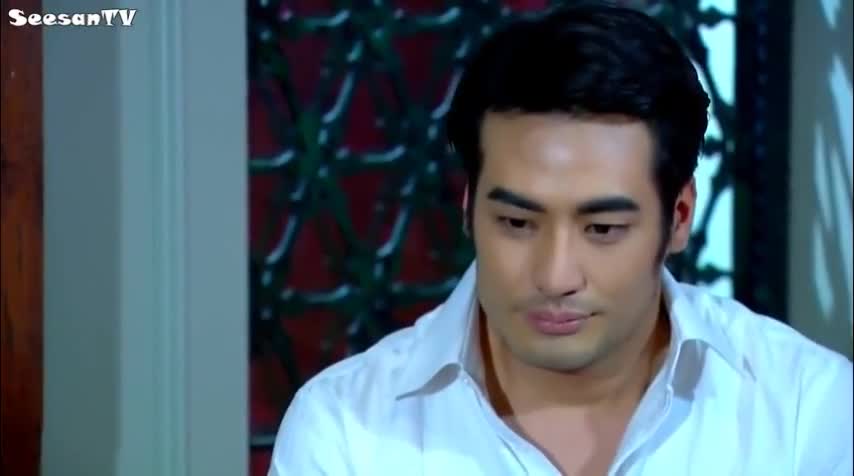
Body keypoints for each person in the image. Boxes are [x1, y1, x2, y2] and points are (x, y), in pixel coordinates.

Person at [268, 2, 853, 475]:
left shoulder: (804, 409)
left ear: (678, 217)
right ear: (469, 209)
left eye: (602, 229)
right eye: (517, 223)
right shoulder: (346, 429)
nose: (555, 276)